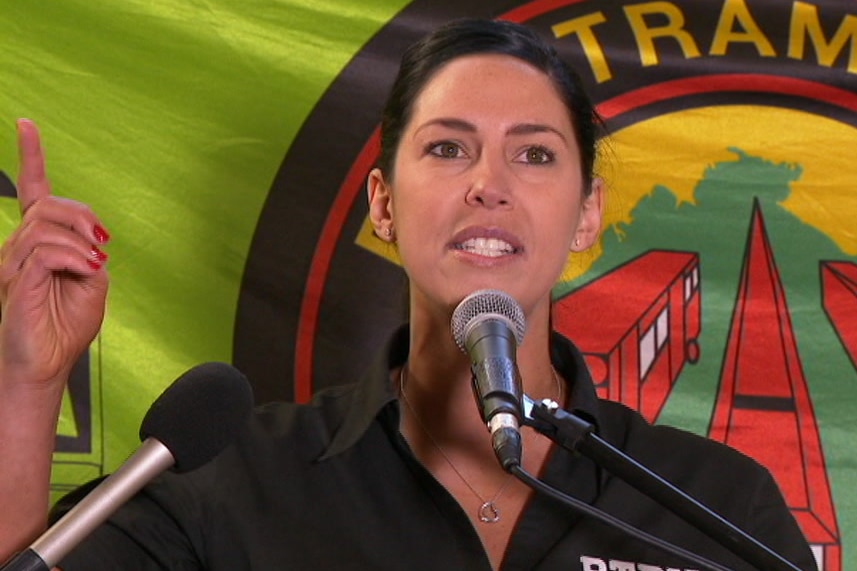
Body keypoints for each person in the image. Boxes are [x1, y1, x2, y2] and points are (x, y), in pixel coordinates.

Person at [0, 18, 816, 571]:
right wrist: (28, 383)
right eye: (448, 148)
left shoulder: (720, 501)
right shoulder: (233, 478)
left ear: (587, 213)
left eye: (533, 156)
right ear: (383, 206)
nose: (488, 186)